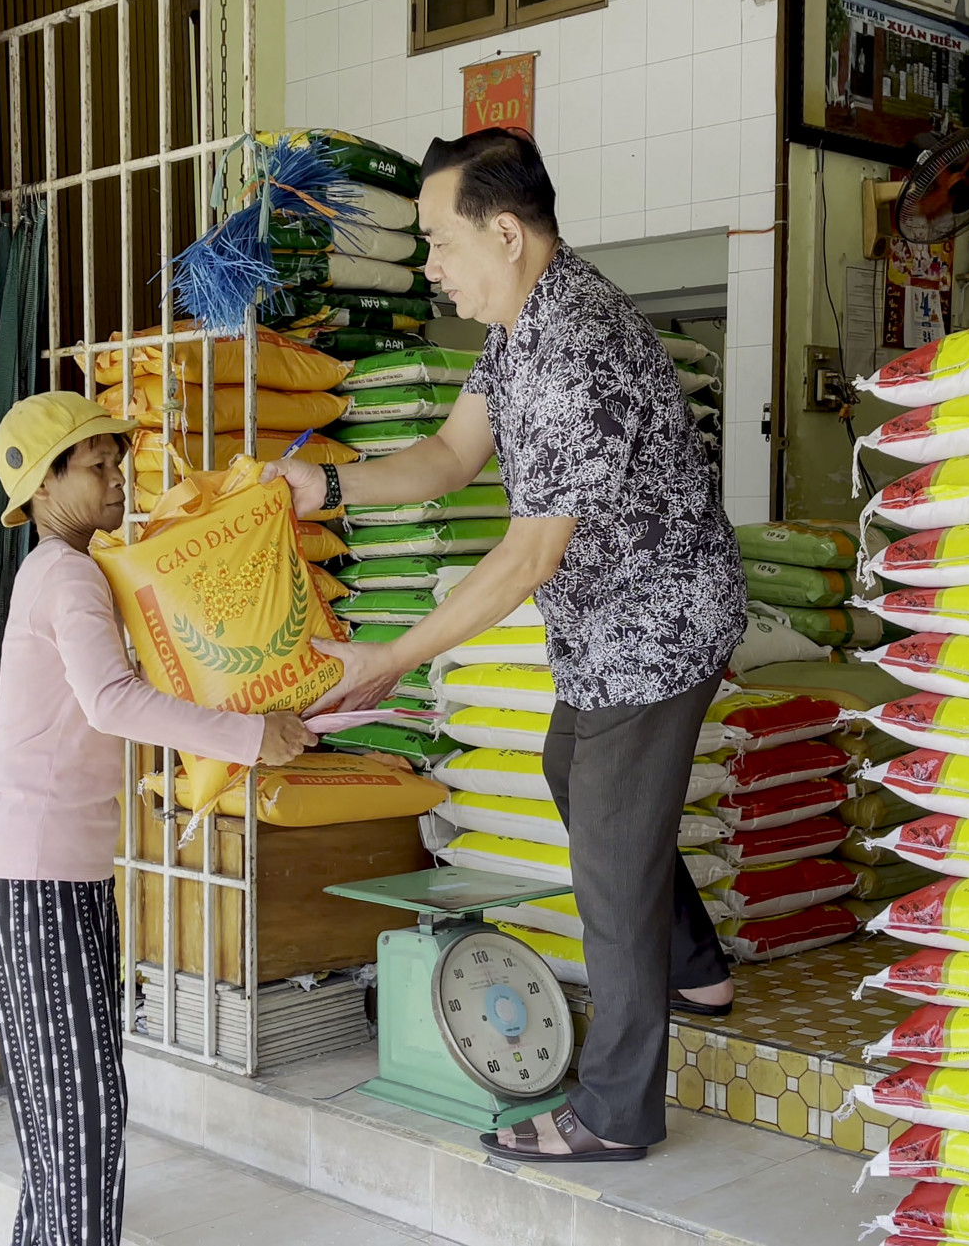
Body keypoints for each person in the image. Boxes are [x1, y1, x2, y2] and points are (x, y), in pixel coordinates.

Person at [264, 127, 747, 1164]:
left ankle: (614, 1111)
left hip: (656, 626)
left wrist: (388, 658)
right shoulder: (518, 329)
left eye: (439, 240)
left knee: (607, 866)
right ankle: (695, 963)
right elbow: (445, 457)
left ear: (507, 231)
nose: (430, 265)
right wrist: (329, 484)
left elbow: (527, 557)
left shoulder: (578, 346)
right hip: (610, 622)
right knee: (570, 768)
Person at [0, 391, 316, 1243]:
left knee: (69, 1123)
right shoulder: (65, 571)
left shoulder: (61, 571)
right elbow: (112, 700)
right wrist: (250, 733)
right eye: (98, 466)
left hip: (53, 878)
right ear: (46, 486)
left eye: (117, 460)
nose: (119, 477)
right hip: (38, 880)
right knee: (80, 1119)